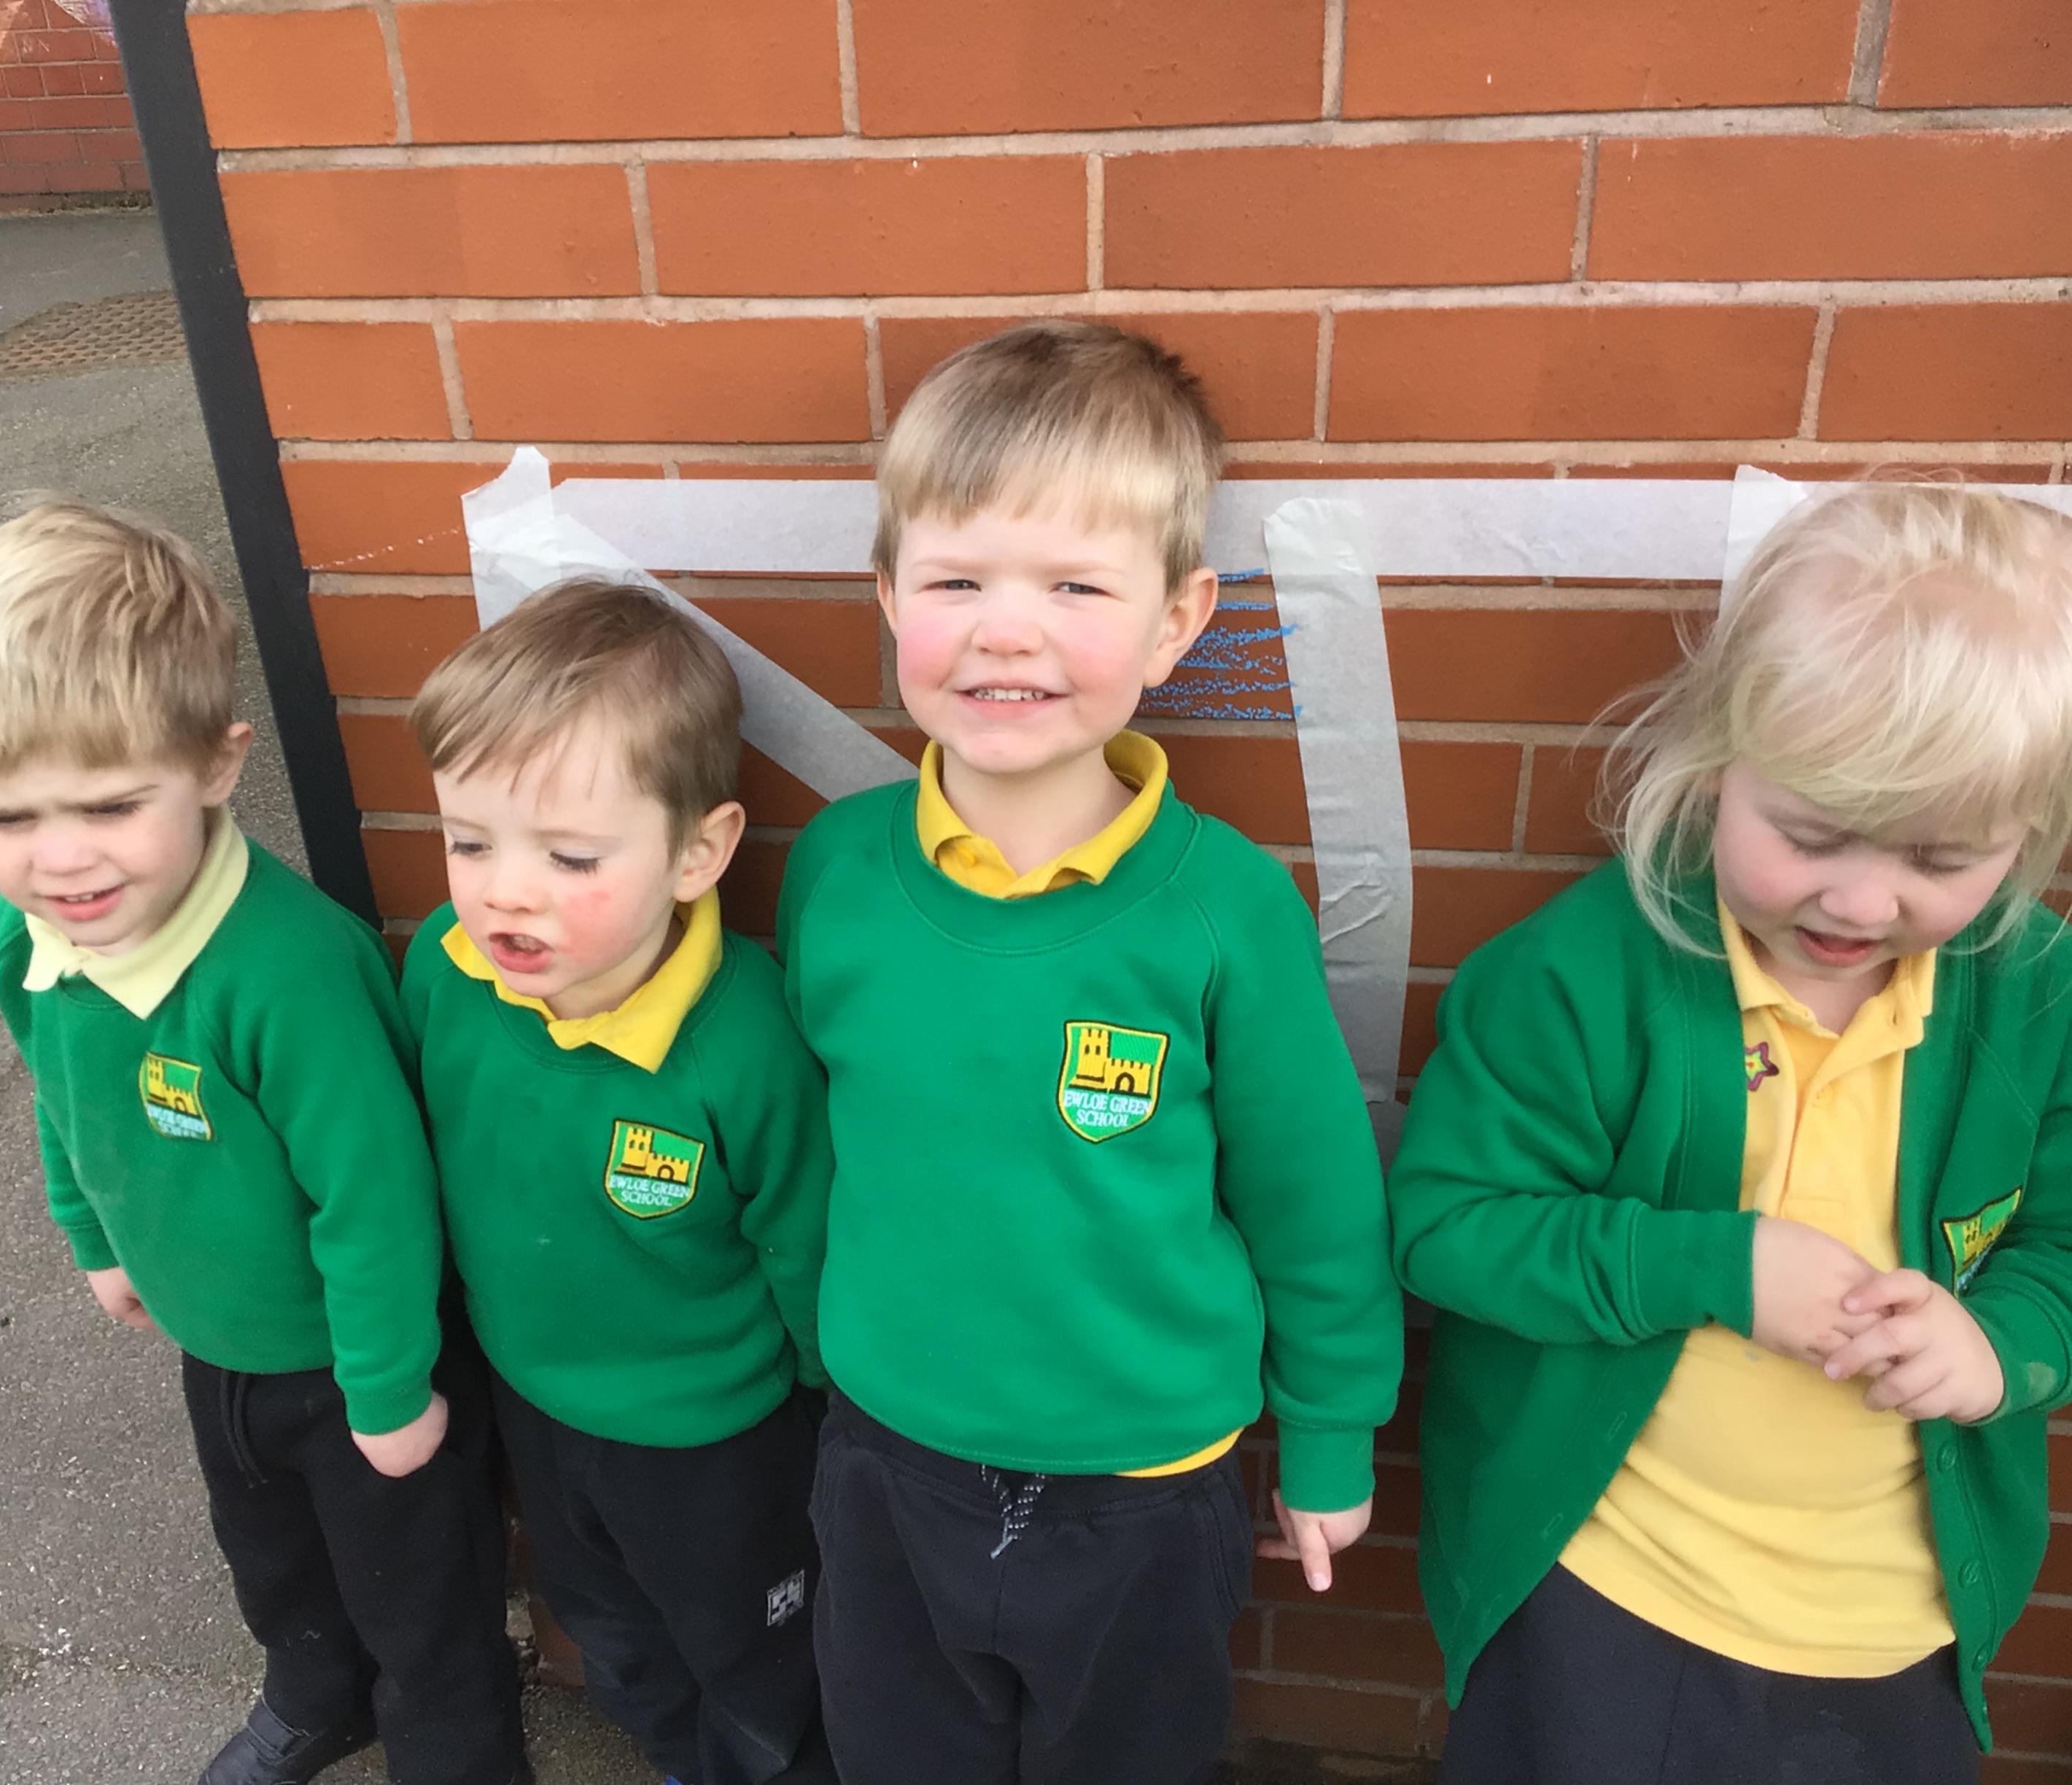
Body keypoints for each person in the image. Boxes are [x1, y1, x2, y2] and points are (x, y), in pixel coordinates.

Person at [775, 319, 1401, 1785]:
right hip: (887, 1452)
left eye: (1074, 585)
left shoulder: (1225, 909)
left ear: (1178, 620)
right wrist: (813, 1347)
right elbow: (814, 1142)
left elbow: (1315, 1207)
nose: (1008, 630)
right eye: (958, 581)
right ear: (888, 596)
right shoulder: (838, 873)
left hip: (1143, 1481)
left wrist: (1330, 1437)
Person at [1389, 483, 2072, 1784]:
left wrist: (2003, 1346)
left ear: (2027, 835)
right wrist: (1715, 1266)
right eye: (1810, 834)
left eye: (1940, 860)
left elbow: (2063, 1244)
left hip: (1897, 1621)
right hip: (1607, 1582)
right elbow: (1446, 1226)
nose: (1860, 902)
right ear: (1715, 765)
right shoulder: (1580, 975)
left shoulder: (2035, 998)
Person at [0, 499, 526, 1785]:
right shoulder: (32, 936)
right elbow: (58, 1091)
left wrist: (389, 1389)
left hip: (358, 1358)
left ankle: (456, 1757)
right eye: (6, 818)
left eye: (109, 804)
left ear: (216, 764)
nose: (60, 861)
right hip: (217, 1340)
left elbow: (376, 1197)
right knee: (270, 1556)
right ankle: (316, 1696)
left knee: (423, 1603)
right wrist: (91, 1235)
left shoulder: (287, 973)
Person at [400, 578, 834, 1785]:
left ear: (699, 852)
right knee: (608, 1628)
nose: (504, 890)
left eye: (570, 855)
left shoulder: (744, 1043)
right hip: (535, 1402)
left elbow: (807, 1244)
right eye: (469, 841)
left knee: (759, 1658)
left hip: (715, 1439)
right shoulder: (447, 973)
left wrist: (827, 1410)